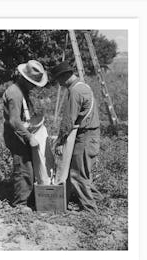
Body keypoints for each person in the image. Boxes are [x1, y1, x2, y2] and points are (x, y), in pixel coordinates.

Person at [51, 61, 103, 213]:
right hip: (91, 134)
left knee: (77, 174)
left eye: (59, 80)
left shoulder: (75, 92)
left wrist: (60, 142)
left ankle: (89, 210)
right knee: (84, 172)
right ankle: (98, 200)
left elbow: (68, 120)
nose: (59, 84)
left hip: (85, 136)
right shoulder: (83, 86)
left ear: (65, 76)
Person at [3, 60, 48, 208]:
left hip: (21, 134)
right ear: (24, 78)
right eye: (32, 82)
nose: (34, 86)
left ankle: (28, 197)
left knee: (29, 166)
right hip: (16, 136)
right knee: (23, 168)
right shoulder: (14, 93)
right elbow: (14, 121)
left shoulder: (22, 91)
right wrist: (29, 137)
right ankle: (20, 204)